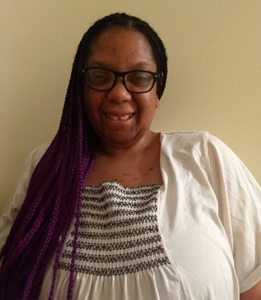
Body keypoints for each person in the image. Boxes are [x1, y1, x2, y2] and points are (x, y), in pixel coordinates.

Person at [0, 12, 261, 300]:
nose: (119, 94)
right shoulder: (47, 168)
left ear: (158, 90)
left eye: (138, 77)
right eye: (101, 76)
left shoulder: (205, 158)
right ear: (81, 87)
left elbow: (255, 284)